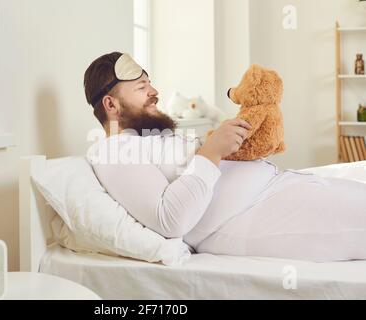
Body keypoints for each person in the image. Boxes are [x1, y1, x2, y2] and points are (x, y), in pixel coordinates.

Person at [83, 51, 366, 262]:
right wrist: (212, 150)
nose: (155, 92)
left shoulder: (151, 138)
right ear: (111, 104)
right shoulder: (113, 150)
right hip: (257, 214)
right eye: (142, 87)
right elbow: (170, 220)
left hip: (278, 189)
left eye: (150, 83)